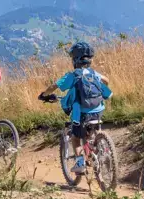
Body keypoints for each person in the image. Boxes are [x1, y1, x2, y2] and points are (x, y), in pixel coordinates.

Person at [39, 42, 112, 174]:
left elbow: (54, 86)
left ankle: (80, 163)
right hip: (98, 109)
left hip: (82, 113)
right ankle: (96, 148)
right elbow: (106, 80)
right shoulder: (93, 73)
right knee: (91, 130)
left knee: (75, 137)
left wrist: (44, 95)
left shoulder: (72, 75)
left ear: (75, 59)